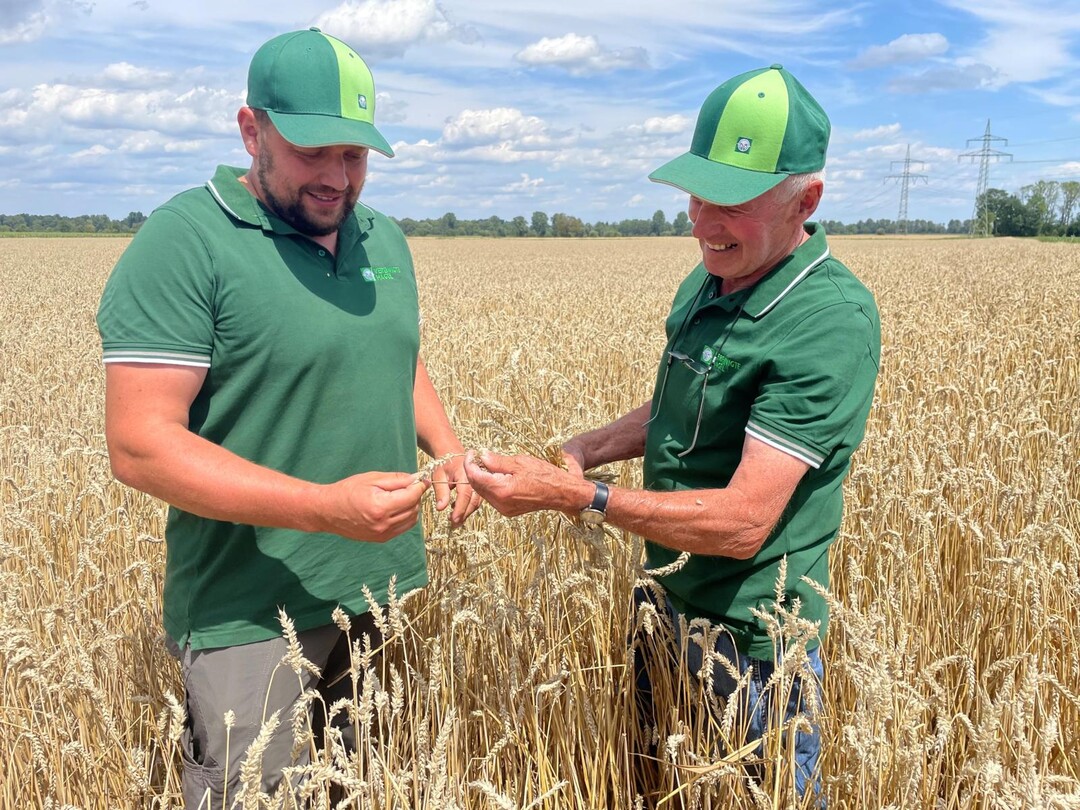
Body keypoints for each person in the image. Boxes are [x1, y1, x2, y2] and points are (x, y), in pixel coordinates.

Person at [464, 64, 880, 801]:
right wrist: (588, 447)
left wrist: (578, 495)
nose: (702, 222)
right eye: (696, 194)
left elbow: (745, 523)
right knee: (650, 788)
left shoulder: (827, 322)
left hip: (755, 647)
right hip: (663, 605)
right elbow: (687, 406)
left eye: (733, 202)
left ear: (805, 199)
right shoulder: (712, 276)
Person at [97, 28, 480, 806]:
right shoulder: (185, 242)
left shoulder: (383, 238)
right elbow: (140, 446)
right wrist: (320, 509)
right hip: (248, 612)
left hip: (377, 591)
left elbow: (394, 355)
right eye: (316, 152)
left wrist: (445, 447)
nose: (339, 178)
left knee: (363, 785)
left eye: (357, 156)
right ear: (251, 129)